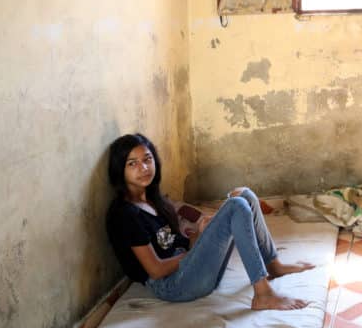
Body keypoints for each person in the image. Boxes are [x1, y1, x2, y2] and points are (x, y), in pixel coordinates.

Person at [105, 133, 314, 310]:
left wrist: (200, 234)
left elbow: (181, 244)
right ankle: (263, 294)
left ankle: (273, 266)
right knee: (236, 206)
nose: (143, 168)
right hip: (173, 286)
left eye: (147, 159)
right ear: (119, 170)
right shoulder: (125, 215)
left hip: (192, 269)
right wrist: (194, 253)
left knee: (244, 195)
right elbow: (156, 270)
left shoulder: (155, 200)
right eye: (132, 163)